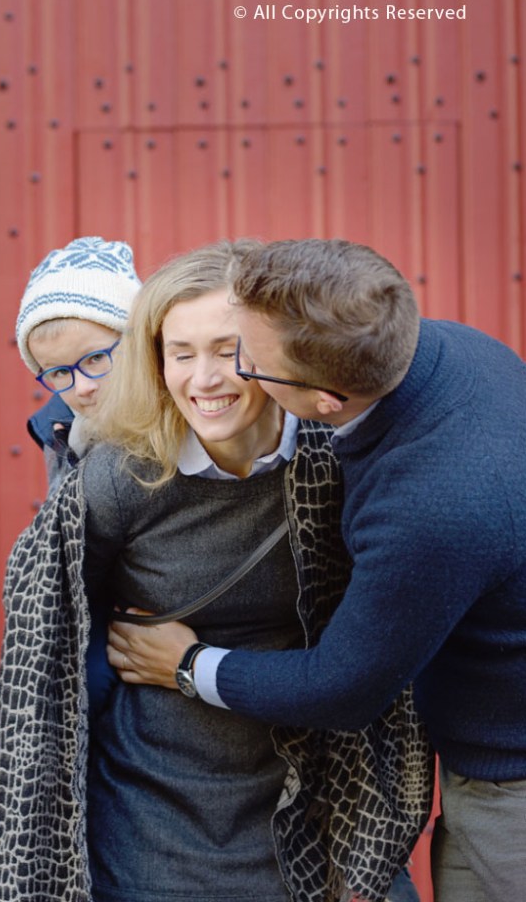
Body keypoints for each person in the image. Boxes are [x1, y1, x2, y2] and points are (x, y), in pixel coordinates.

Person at [0, 242, 432, 902]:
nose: (204, 379)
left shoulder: (335, 456)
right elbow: (44, 643)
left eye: (228, 350)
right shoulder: (119, 476)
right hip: (155, 814)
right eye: (180, 352)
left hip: (312, 801)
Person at [108, 238, 526, 902]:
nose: (222, 373)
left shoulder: (429, 506)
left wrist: (186, 665)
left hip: (512, 794)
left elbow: (341, 688)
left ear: (324, 404)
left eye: (245, 357)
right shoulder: (449, 350)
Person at [16, 235, 141, 495]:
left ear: (138, 342)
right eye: (60, 372)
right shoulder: (61, 432)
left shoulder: (194, 413)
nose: (83, 387)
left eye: (95, 358)